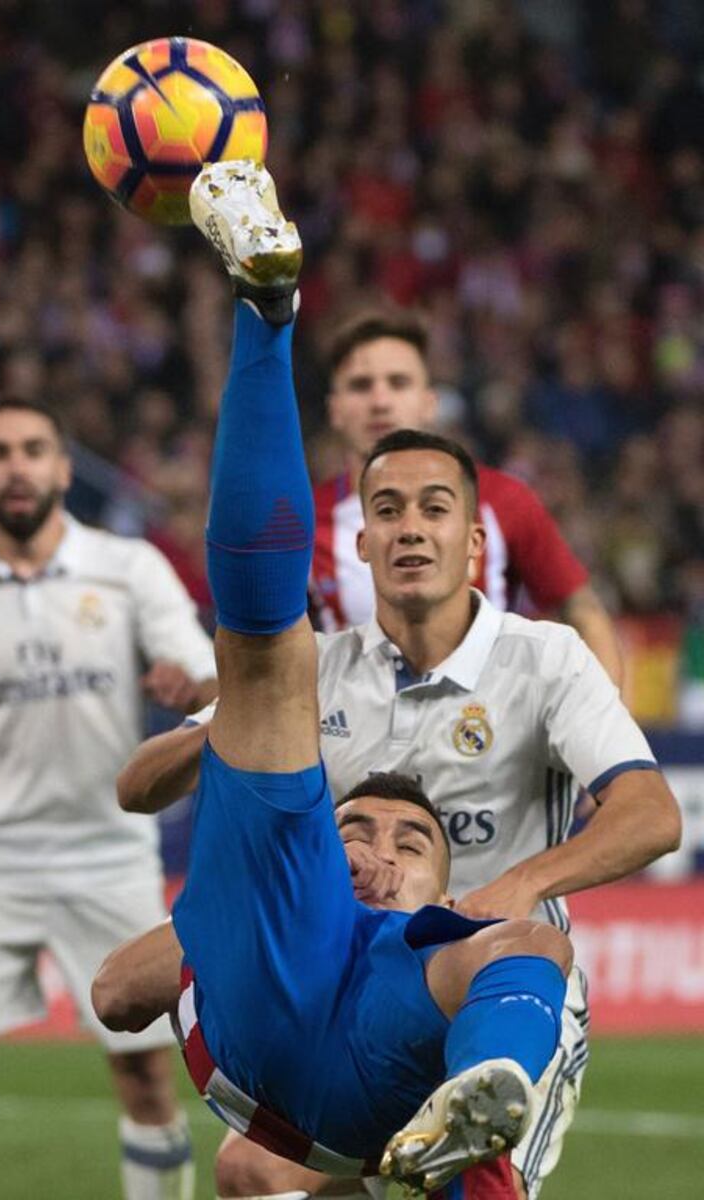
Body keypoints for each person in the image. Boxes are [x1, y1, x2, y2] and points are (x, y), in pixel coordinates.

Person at [98, 160, 680, 1200]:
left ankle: (468, 1113)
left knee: (410, 1147)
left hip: (477, 983)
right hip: (336, 974)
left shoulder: (538, 658)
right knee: (260, 641)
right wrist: (222, 730)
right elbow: (137, 787)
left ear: (473, 541)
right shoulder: (319, 663)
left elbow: (647, 815)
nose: (410, 528)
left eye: (435, 511)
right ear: (358, 544)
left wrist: (521, 885)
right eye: (389, 513)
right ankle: (264, 306)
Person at [0, 397, 218, 1200]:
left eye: (34, 449)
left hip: (109, 860)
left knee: (148, 1079)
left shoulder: (128, 567)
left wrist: (189, 683)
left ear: (61, 468)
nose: (17, 467)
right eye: (0, 452)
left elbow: (208, 676)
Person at [311, 310, 624, 689]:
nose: (380, 401)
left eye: (398, 383)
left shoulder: (503, 500)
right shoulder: (303, 521)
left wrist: (608, 729)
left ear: (429, 402)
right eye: (361, 385)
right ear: (335, 410)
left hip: (484, 737)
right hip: (353, 741)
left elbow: (584, 611)